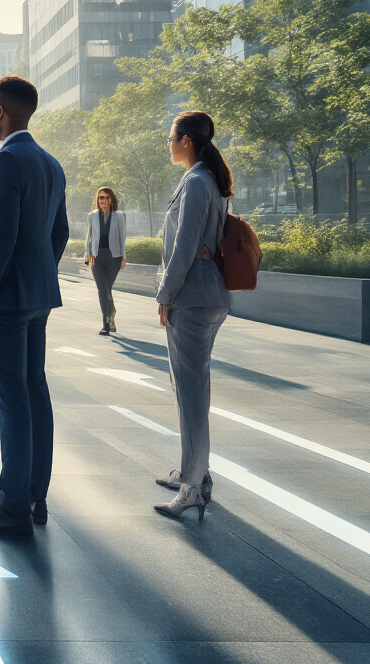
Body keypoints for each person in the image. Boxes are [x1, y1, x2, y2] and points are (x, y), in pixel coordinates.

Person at [0, 76, 68, 538]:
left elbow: (1, 234)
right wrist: (38, 274)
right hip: (37, 297)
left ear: (0, 112)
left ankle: (14, 507)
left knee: (11, 399)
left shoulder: (6, 160)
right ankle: (33, 495)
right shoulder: (51, 164)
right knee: (34, 391)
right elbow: (59, 233)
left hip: (3, 299)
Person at [153, 110, 234, 521]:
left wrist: (165, 296)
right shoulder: (206, 179)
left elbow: (185, 246)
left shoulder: (198, 181)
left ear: (186, 140)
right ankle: (195, 474)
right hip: (205, 296)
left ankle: (192, 487)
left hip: (192, 299)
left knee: (190, 395)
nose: (168, 144)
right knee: (192, 392)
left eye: (171, 138)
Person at [84, 187, 127, 336]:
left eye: (107, 197)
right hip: (97, 257)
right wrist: (86, 256)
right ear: (98, 200)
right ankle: (106, 322)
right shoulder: (92, 216)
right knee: (102, 289)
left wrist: (123, 258)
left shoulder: (118, 216)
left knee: (107, 288)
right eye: (101, 197)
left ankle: (111, 312)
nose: (104, 200)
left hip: (113, 258)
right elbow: (89, 237)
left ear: (111, 199)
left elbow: (122, 238)